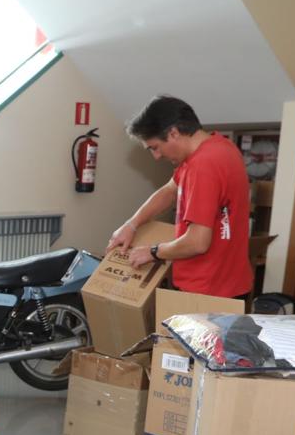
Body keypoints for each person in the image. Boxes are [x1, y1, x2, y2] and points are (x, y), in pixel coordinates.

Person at [108, 95, 253, 299]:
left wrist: (152, 252)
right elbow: (169, 191)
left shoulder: (203, 165)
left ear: (174, 133)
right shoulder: (220, 147)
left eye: (155, 147)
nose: (156, 157)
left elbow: (197, 242)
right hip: (229, 286)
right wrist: (131, 225)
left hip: (207, 291)